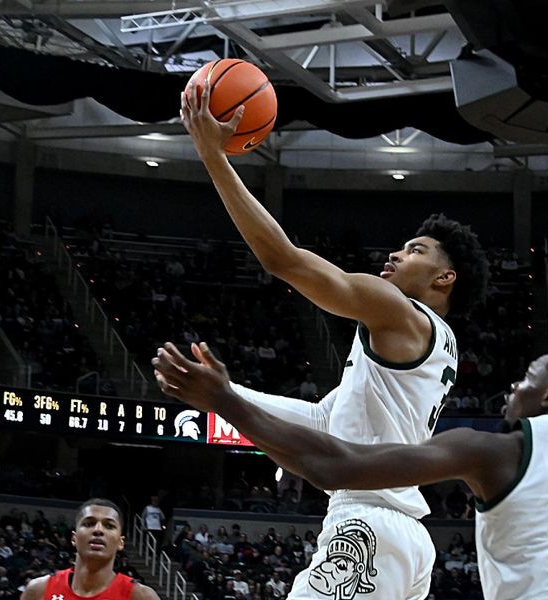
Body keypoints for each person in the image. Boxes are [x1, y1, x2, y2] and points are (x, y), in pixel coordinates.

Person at [178, 82, 489, 600]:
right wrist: (228, 395)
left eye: (415, 251)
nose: (394, 255)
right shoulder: (429, 346)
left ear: (444, 278)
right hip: (405, 538)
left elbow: (283, 260)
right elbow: (325, 421)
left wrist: (213, 157)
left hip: (366, 525)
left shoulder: (399, 311)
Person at [153, 336, 548, 600]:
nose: (515, 386)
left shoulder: (497, 450)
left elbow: (333, 464)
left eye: (527, 377)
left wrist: (227, 401)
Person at [20, 499, 159, 600]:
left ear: (120, 542)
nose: (98, 530)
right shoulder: (38, 591)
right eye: (89, 523)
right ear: (74, 538)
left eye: (109, 526)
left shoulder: (141, 596)